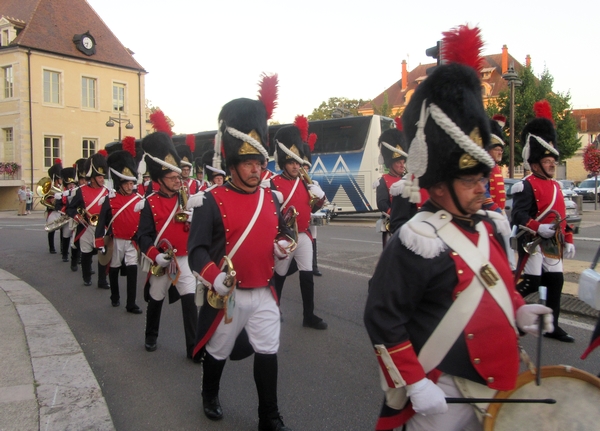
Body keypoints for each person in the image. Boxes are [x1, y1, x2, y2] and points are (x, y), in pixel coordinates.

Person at [363, 25, 554, 431]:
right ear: (439, 183)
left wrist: (520, 311)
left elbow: (494, 285)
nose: (481, 187)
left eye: (482, 178)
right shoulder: (418, 239)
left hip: (496, 385)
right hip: (441, 392)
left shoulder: (490, 227)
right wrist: (414, 382)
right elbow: (382, 317)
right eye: (470, 180)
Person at [188, 89, 294, 431]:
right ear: (232, 164)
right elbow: (196, 251)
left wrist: (281, 246)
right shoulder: (208, 200)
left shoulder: (272, 199)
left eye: (260, 162)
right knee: (218, 350)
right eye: (248, 162)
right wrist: (213, 276)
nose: (256, 169)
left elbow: (279, 233)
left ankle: (269, 417)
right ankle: (210, 393)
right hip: (229, 295)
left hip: (264, 291)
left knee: (268, 351)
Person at [511, 100, 576, 343]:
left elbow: (561, 217)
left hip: (553, 244)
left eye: (553, 161)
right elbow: (517, 216)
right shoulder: (525, 185)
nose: (552, 165)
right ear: (535, 162)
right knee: (532, 282)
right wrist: (540, 228)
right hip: (532, 241)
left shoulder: (557, 186)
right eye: (548, 161)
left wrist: (567, 238)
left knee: (555, 283)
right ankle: (509, 312)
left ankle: (551, 325)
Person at [136, 131, 197, 359]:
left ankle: (193, 347)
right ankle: (151, 336)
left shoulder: (188, 199)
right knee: (156, 298)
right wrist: (155, 255)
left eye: (178, 177)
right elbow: (142, 236)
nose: (177, 182)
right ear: (159, 179)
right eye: (172, 178)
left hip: (184, 259)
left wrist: (195, 219)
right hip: (162, 260)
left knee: (190, 302)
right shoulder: (149, 203)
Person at [271, 115, 328, 330]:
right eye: (292, 162)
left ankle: (309, 315)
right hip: (285, 236)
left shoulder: (305, 183)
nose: (296, 166)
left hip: (304, 235)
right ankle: (274, 309)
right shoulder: (273, 183)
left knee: (307, 275)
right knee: (280, 275)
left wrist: (319, 199)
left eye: (298, 162)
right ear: (284, 163)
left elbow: (312, 209)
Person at [95, 148, 143, 314]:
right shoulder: (110, 199)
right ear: (120, 183)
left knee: (132, 269)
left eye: (132, 183)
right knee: (114, 268)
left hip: (132, 241)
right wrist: (100, 241)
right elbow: (101, 222)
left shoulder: (139, 200)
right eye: (127, 183)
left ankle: (131, 303)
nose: (130, 186)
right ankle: (115, 296)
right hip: (116, 241)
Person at [66, 153, 110, 288]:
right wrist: (77, 216)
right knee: (85, 253)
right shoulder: (81, 191)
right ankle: (86, 277)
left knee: (103, 254)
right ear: (93, 177)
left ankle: (102, 280)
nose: (102, 179)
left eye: (103, 177)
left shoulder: (108, 191)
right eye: (100, 177)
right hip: (86, 226)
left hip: (102, 227)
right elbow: (70, 208)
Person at [45, 160, 63, 253]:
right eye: (60, 178)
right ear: (56, 178)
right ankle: (51, 247)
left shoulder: (62, 187)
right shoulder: (50, 188)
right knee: (51, 229)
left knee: (63, 230)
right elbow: (46, 199)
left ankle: (62, 248)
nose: (61, 180)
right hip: (52, 210)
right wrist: (52, 201)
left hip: (61, 211)